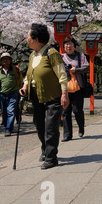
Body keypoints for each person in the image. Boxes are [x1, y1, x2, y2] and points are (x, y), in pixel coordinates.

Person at [19, 23, 69, 170]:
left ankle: (51, 157)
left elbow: (62, 74)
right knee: (39, 125)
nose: (26, 39)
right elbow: (29, 75)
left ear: (36, 39)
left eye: (28, 36)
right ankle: (45, 149)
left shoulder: (51, 53)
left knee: (50, 127)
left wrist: (64, 94)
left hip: (53, 96)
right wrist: (25, 86)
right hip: (36, 96)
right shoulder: (32, 55)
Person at [61, 37, 89, 141]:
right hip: (65, 89)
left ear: (74, 45)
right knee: (66, 111)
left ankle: (81, 127)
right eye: (66, 44)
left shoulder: (80, 56)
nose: (68, 46)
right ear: (64, 46)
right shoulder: (61, 57)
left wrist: (75, 70)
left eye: (70, 44)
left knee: (77, 110)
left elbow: (87, 67)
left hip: (78, 88)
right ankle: (67, 135)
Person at [0, 53, 23, 136]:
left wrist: (21, 90)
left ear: (10, 60)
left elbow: (20, 80)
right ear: (1, 61)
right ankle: (7, 126)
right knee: (4, 112)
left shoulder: (15, 69)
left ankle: (8, 129)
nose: (5, 60)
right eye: (3, 59)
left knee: (11, 111)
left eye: (7, 58)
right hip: (3, 94)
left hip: (14, 94)